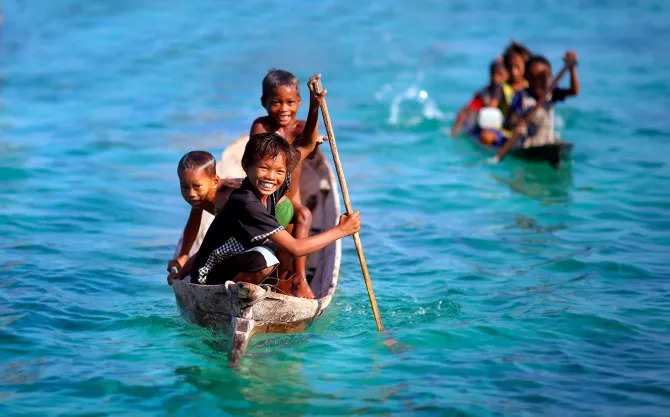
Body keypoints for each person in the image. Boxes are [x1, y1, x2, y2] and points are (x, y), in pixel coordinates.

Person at [170, 132, 360, 300]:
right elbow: (295, 248)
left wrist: (315, 104)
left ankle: (275, 287)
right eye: (263, 168)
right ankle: (233, 300)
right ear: (246, 166)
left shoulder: (272, 188)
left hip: (234, 257)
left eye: (279, 171)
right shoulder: (246, 203)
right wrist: (341, 230)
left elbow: (305, 147)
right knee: (266, 258)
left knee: (277, 248)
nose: (271, 177)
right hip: (207, 276)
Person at [248, 70, 323, 295]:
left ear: (298, 102)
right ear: (264, 102)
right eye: (276, 102)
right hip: (264, 202)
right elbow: (260, 152)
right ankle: (276, 277)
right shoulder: (260, 127)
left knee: (303, 215)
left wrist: (315, 105)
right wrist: (306, 146)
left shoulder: (300, 128)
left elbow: (309, 146)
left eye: (290, 102)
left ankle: (299, 278)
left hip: (291, 202)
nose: (284, 109)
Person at [504, 51, 580, 148]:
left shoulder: (552, 92)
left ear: (550, 77)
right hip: (527, 146)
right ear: (526, 78)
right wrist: (518, 125)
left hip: (547, 142)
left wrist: (572, 68)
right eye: (534, 78)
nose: (538, 83)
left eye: (542, 78)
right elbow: (509, 122)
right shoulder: (521, 96)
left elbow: (574, 91)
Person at [451, 59, 511, 146]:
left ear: (507, 75)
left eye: (500, 75)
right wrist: (455, 131)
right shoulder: (484, 93)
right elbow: (467, 110)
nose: (496, 78)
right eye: (493, 74)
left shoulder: (511, 91)